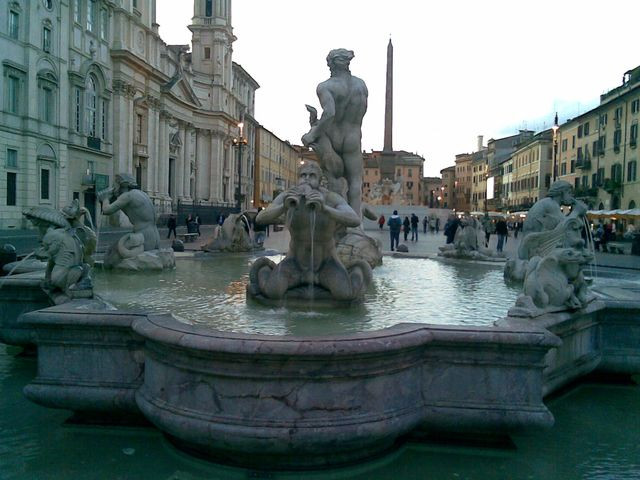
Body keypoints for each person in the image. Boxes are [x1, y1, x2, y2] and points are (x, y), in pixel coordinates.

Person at [251, 160, 364, 300]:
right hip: (295, 263)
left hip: (325, 263)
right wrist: (283, 207)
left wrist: (325, 208)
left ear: (320, 180)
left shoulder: (330, 198)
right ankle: (265, 268)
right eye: (303, 175)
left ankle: (355, 270)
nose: (306, 179)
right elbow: (260, 219)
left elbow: (354, 219)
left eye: (312, 176)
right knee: (273, 292)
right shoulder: (288, 196)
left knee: (345, 294)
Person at [301, 49, 368, 219]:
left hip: (333, 135)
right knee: (355, 183)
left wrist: (313, 132)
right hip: (353, 136)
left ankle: (333, 223)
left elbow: (330, 113)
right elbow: (361, 112)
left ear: (330, 64)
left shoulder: (326, 86)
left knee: (333, 179)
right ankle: (355, 226)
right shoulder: (361, 85)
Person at [99, 173, 159, 251]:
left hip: (143, 236)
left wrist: (105, 198)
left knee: (112, 255)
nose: (113, 187)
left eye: (115, 184)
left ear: (122, 185)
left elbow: (106, 211)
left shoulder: (127, 196)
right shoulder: (142, 194)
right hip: (155, 235)